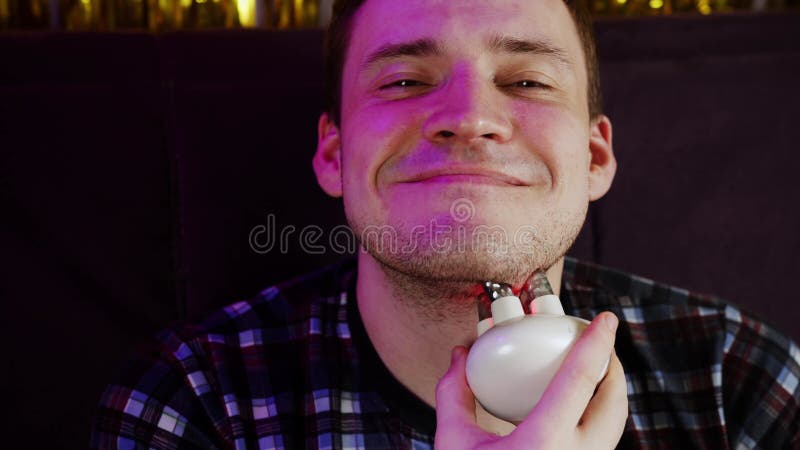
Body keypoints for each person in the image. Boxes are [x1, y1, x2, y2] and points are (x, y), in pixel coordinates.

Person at [90, 0, 800, 448]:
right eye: (403, 81)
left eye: (526, 81)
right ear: (335, 155)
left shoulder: (736, 382)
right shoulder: (192, 406)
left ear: (593, 157)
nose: (468, 117)